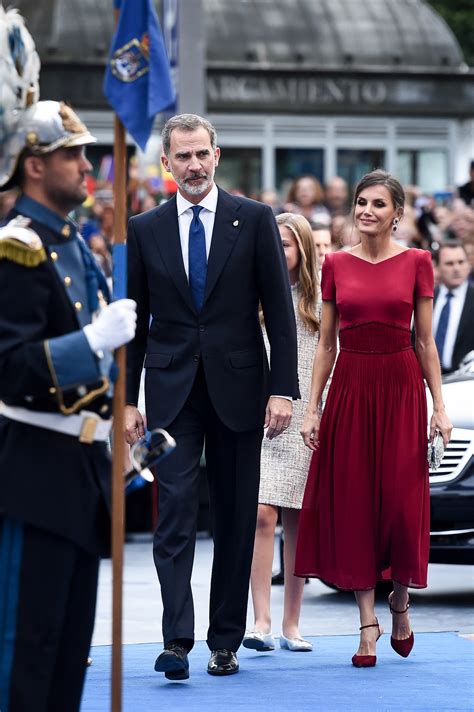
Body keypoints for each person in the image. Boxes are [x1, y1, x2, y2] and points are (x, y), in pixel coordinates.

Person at [124, 114, 299, 679]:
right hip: (171, 392)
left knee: (234, 513)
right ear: (166, 164)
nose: (194, 165)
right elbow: (134, 319)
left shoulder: (254, 219)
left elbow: (280, 309)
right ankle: (176, 640)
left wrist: (282, 390)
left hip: (242, 389)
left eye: (202, 154)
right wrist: (128, 399)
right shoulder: (143, 228)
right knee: (172, 511)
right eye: (183, 157)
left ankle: (225, 638)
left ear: (217, 156)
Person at [0, 99, 137, 710]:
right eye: (71, 154)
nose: (88, 165)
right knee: (25, 647)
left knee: (67, 651)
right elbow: (10, 369)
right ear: (33, 165)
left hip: (82, 470)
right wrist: (91, 344)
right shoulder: (17, 248)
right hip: (32, 468)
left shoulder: (76, 245)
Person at [295, 169, 452, 668]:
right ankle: (367, 622)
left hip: (403, 388)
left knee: (404, 510)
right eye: (361, 202)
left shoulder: (418, 262)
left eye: (378, 204)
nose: (366, 211)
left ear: (397, 213)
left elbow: (425, 341)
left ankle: (400, 601)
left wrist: (439, 408)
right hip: (351, 389)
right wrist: (313, 407)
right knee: (357, 506)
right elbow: (326, 344)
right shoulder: (336, 264)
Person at [244, 213, 321, 654]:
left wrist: (317, 410)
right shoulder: (252, 297)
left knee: (298, 521)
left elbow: (327, 360)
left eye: (288, 245)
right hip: (263, 416)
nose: (279, 251)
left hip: (307, 415)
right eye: (274, 243)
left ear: (304, 251)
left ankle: (292, 623)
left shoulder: (320, 302)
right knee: (262, 514)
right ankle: (262, 619)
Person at [433, 242, 474, 373]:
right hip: (428, 380)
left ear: (468, 264)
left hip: (466, 381)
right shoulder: (425, 299)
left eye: (461, 262)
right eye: (449, 264)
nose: (456, 268)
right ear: (437, 267)